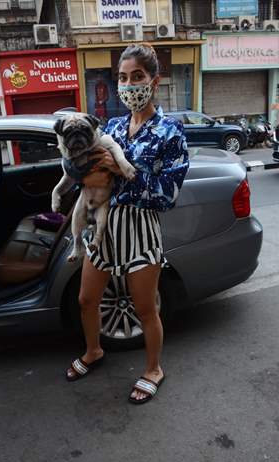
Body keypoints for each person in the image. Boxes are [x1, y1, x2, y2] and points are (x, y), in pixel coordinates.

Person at [66, 43, 189, 404]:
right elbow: (83, 169)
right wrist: (83, 174)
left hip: (140, 231)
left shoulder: (171, 132)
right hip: (103, 229)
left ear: (154, 80)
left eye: (137, 76)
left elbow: (167, 196)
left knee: (146, 308)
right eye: (123, 77)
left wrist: (120, 172)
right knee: (87, 299)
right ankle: (94, 351)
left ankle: (153, 368)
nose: (129, 84)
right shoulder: (114, 126)